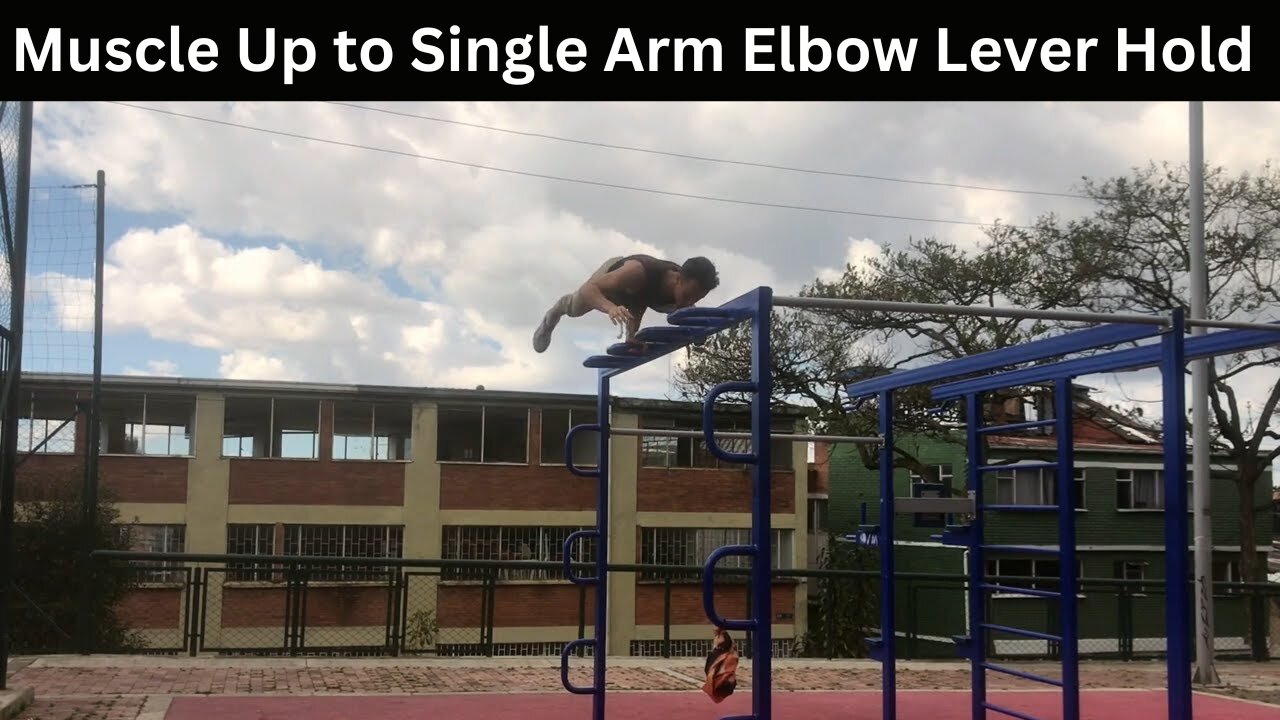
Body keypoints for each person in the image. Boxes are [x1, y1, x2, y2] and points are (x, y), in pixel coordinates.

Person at [532, 254, 719, 353]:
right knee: (574, 308)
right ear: (678, 279)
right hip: (612, 284)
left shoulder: (685, 291)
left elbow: (640, 302)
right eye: (688, 295)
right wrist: (610, 308)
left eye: (696, 298)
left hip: (638, 297)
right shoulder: (637, 272)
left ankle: (631, 336)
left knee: (682, 312)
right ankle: (552, 316)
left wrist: (696, 335)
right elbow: (589, 288)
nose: (689, 301)